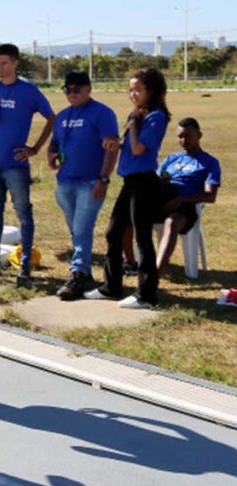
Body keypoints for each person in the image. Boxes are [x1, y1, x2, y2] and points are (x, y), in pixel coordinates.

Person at [0, 43, 54, 287]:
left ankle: (25, 266)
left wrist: (34, 148)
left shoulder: (28, 91)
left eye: (4, 63)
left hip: (15, 165)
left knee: (24, 214)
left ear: (15, 63)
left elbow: (51, 117)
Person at [85, 67, 170, 308]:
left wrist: (132, 122)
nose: (133, 94)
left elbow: (140, 149)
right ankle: (111, 287)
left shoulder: (156, 117)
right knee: (114, 232)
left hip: (144, 182)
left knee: (142, 238)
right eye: (130, 90)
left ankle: (146, 295)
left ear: (151, 91)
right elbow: (129, 147)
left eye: (138, 90)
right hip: (130, 182)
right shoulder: (142, 116)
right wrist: (115, 144)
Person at [47, 71, 120, 300]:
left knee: (81, 229)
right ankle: (83, 271)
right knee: (77, 230)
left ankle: (78, 273)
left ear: (89, 89)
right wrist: (51, 155)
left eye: (76, 89)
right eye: (67, 89)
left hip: (90, 182)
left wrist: (104, 178)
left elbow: (111, 148)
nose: (71, 93)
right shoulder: (62, 116)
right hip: (65, 182)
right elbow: (54, 144)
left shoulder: (102, 113)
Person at [154, 117, 221, 273]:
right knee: (130, 215)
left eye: (188, 136)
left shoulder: (209, 162)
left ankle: (155, 274)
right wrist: (161, 182)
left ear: (199, 135)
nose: (183, 140)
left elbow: (210, 195)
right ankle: (133, 264)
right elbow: (157, 180)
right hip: (164, 200)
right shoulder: (172, 159)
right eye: (180, 136)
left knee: (172, 222)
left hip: (186, 207)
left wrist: (181, 200)